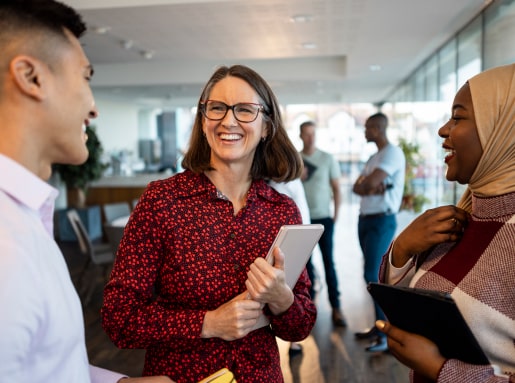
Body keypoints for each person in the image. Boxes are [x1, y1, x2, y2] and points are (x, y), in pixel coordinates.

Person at [101, 65, 317, 382]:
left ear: (267, 126)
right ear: (204, 121)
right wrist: (209, 323)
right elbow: (119, 318)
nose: (228, 120)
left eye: (245, 110)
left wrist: (281, 298)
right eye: (217, 108)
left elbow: (301, 326)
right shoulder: (162, 201)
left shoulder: (282, 210)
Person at [0, 1, 172, 383]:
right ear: (31, 77)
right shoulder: (6, 244)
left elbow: (46, 368)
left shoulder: (28, 217)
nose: (93, 109)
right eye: (85, 77)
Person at [375, 64, 515, 382]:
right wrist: (403, 248)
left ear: (503, 129)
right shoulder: (460, 218)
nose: (442, 130)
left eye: (459, 117)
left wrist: (441, 370)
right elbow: (411, 309)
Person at [352, 112, 405, 352]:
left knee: (374, 274)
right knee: (371, 273)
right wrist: (367, 186)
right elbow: (358, 187)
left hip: (381, 220)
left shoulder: (392, 153)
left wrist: (369, 185)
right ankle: (379, 325)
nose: (364, 131)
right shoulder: (374, 157)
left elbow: (369, 184)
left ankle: (387, 335)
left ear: (379, 128)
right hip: (365, 220)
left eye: (368, 127)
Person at [299, 121, 346, 327]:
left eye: (313, 134)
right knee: (305, 267)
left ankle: (336, 308)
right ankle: (308, 309)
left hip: (324, 218)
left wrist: (335, 215)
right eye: (307, 134)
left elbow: (336, 188)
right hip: (301, 221)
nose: (310, 138)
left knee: (329, 263)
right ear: (301, 136)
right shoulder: (296, 160)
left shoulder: (327, 159)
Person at [268, 178, 310, 357]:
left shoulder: (289, 185)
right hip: (283, 240)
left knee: (292, 287)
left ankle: (294, 343)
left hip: (293, 241)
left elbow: (302, 218)